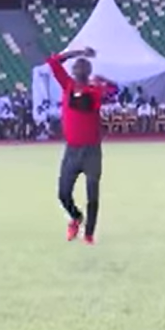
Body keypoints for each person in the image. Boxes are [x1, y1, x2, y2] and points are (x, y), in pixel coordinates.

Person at [46, 47, 110, 245]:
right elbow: (53, 61)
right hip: (72, 150)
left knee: (93, 192)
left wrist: (101, 82)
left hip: (91, 150)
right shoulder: (68, 86)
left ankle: (89, 234)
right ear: (73, 72)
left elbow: (106, 93)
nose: (79, 70)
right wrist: (78, 52)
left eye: (83, 67)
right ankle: (75, 217)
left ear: (87, 72)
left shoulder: (94, 91)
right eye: (77, 67)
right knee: (63, 193)